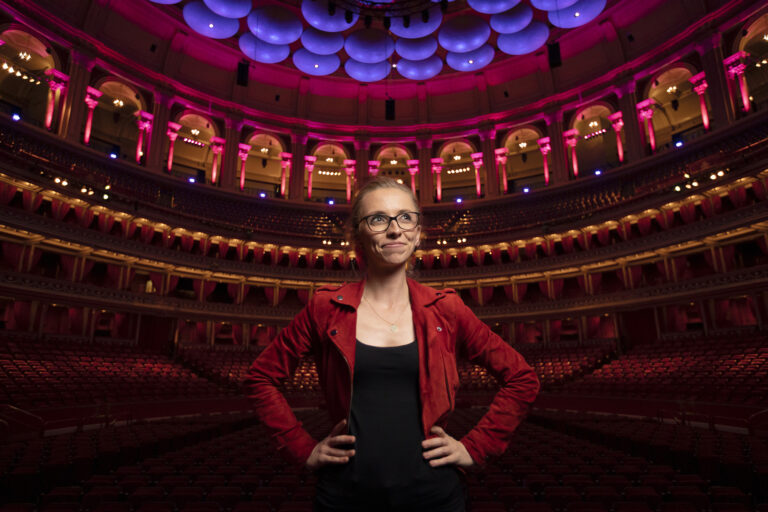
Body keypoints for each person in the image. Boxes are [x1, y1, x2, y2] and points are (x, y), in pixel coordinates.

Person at [244, 177, 539, 511]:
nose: (395, 230)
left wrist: (476, 447)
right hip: (345, 496)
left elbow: (522, 378)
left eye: (405, 217)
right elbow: (260, 378)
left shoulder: (447, 308)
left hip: (435, 496)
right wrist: (301, 447)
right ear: (358, 235)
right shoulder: (325, 308)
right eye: (378, 219)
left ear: (417, 232)